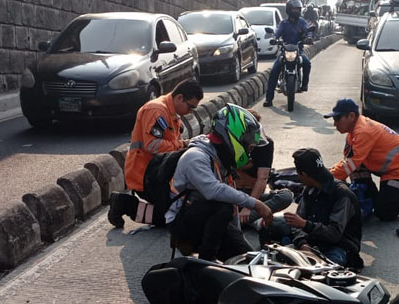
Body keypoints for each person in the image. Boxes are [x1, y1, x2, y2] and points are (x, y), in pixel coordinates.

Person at [165, 105, 274, 262]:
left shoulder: (221, 157)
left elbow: (231, 199)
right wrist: (256, 204)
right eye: (247, 144)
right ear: (234, 137)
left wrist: (238, 237)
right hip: (183, 222)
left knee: (248, 262)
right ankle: (205, 262)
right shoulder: (196, 157)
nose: (249, 151)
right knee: (223, 207)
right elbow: (214, 191)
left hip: (211, 220)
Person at [108, 79, 203, 228]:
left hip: (161, 172)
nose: (190, 112)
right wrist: (183, 145)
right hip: (146, 174)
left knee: (183, 209)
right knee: (169, 218)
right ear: (179, 98)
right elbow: (152, 145)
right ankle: (123, 204)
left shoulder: (171, 113)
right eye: (190, 107)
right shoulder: (156, 110)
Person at [324, 98, 399, 220]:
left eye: (337, 119)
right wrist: (329, 173)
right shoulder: (353, 133)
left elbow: (351, 163)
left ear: (351, 116)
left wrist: (325, 179)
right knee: (356, 170)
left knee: (383, 212)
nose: (334, 123)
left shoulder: (363, 131)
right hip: (387, 168)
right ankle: (373, 198)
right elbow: (347, 161)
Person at [283, 148, 363, 268]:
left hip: (339, 246)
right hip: (312, 241)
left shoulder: (342, 195)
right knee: (274, 227)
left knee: (328, 267)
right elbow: (297, 224)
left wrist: (306, 225)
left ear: (304, 174)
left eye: (298, 174)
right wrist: (303, 244)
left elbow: (334, 234)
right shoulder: (309, 189)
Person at [236, 109, 294, 227]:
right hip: (233, 194)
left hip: (253, 196)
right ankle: (247, 221)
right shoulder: (232, 141)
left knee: (286, 196)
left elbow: (262, 179)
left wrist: (249, 206)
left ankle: (243, 220)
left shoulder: (265, 144)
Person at [263, 0, 313, 107]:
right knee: (274, 71)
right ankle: (269, 99)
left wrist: (309, 37)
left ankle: (304, 85)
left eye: (298, 9)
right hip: (284, 51)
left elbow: (308, 30)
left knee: (307, 63)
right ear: (289, 10)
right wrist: (274, 38)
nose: (297, 11)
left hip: (298, 51)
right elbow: (277, 32)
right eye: (294, 9)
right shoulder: (283, 23)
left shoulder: (302, 22)